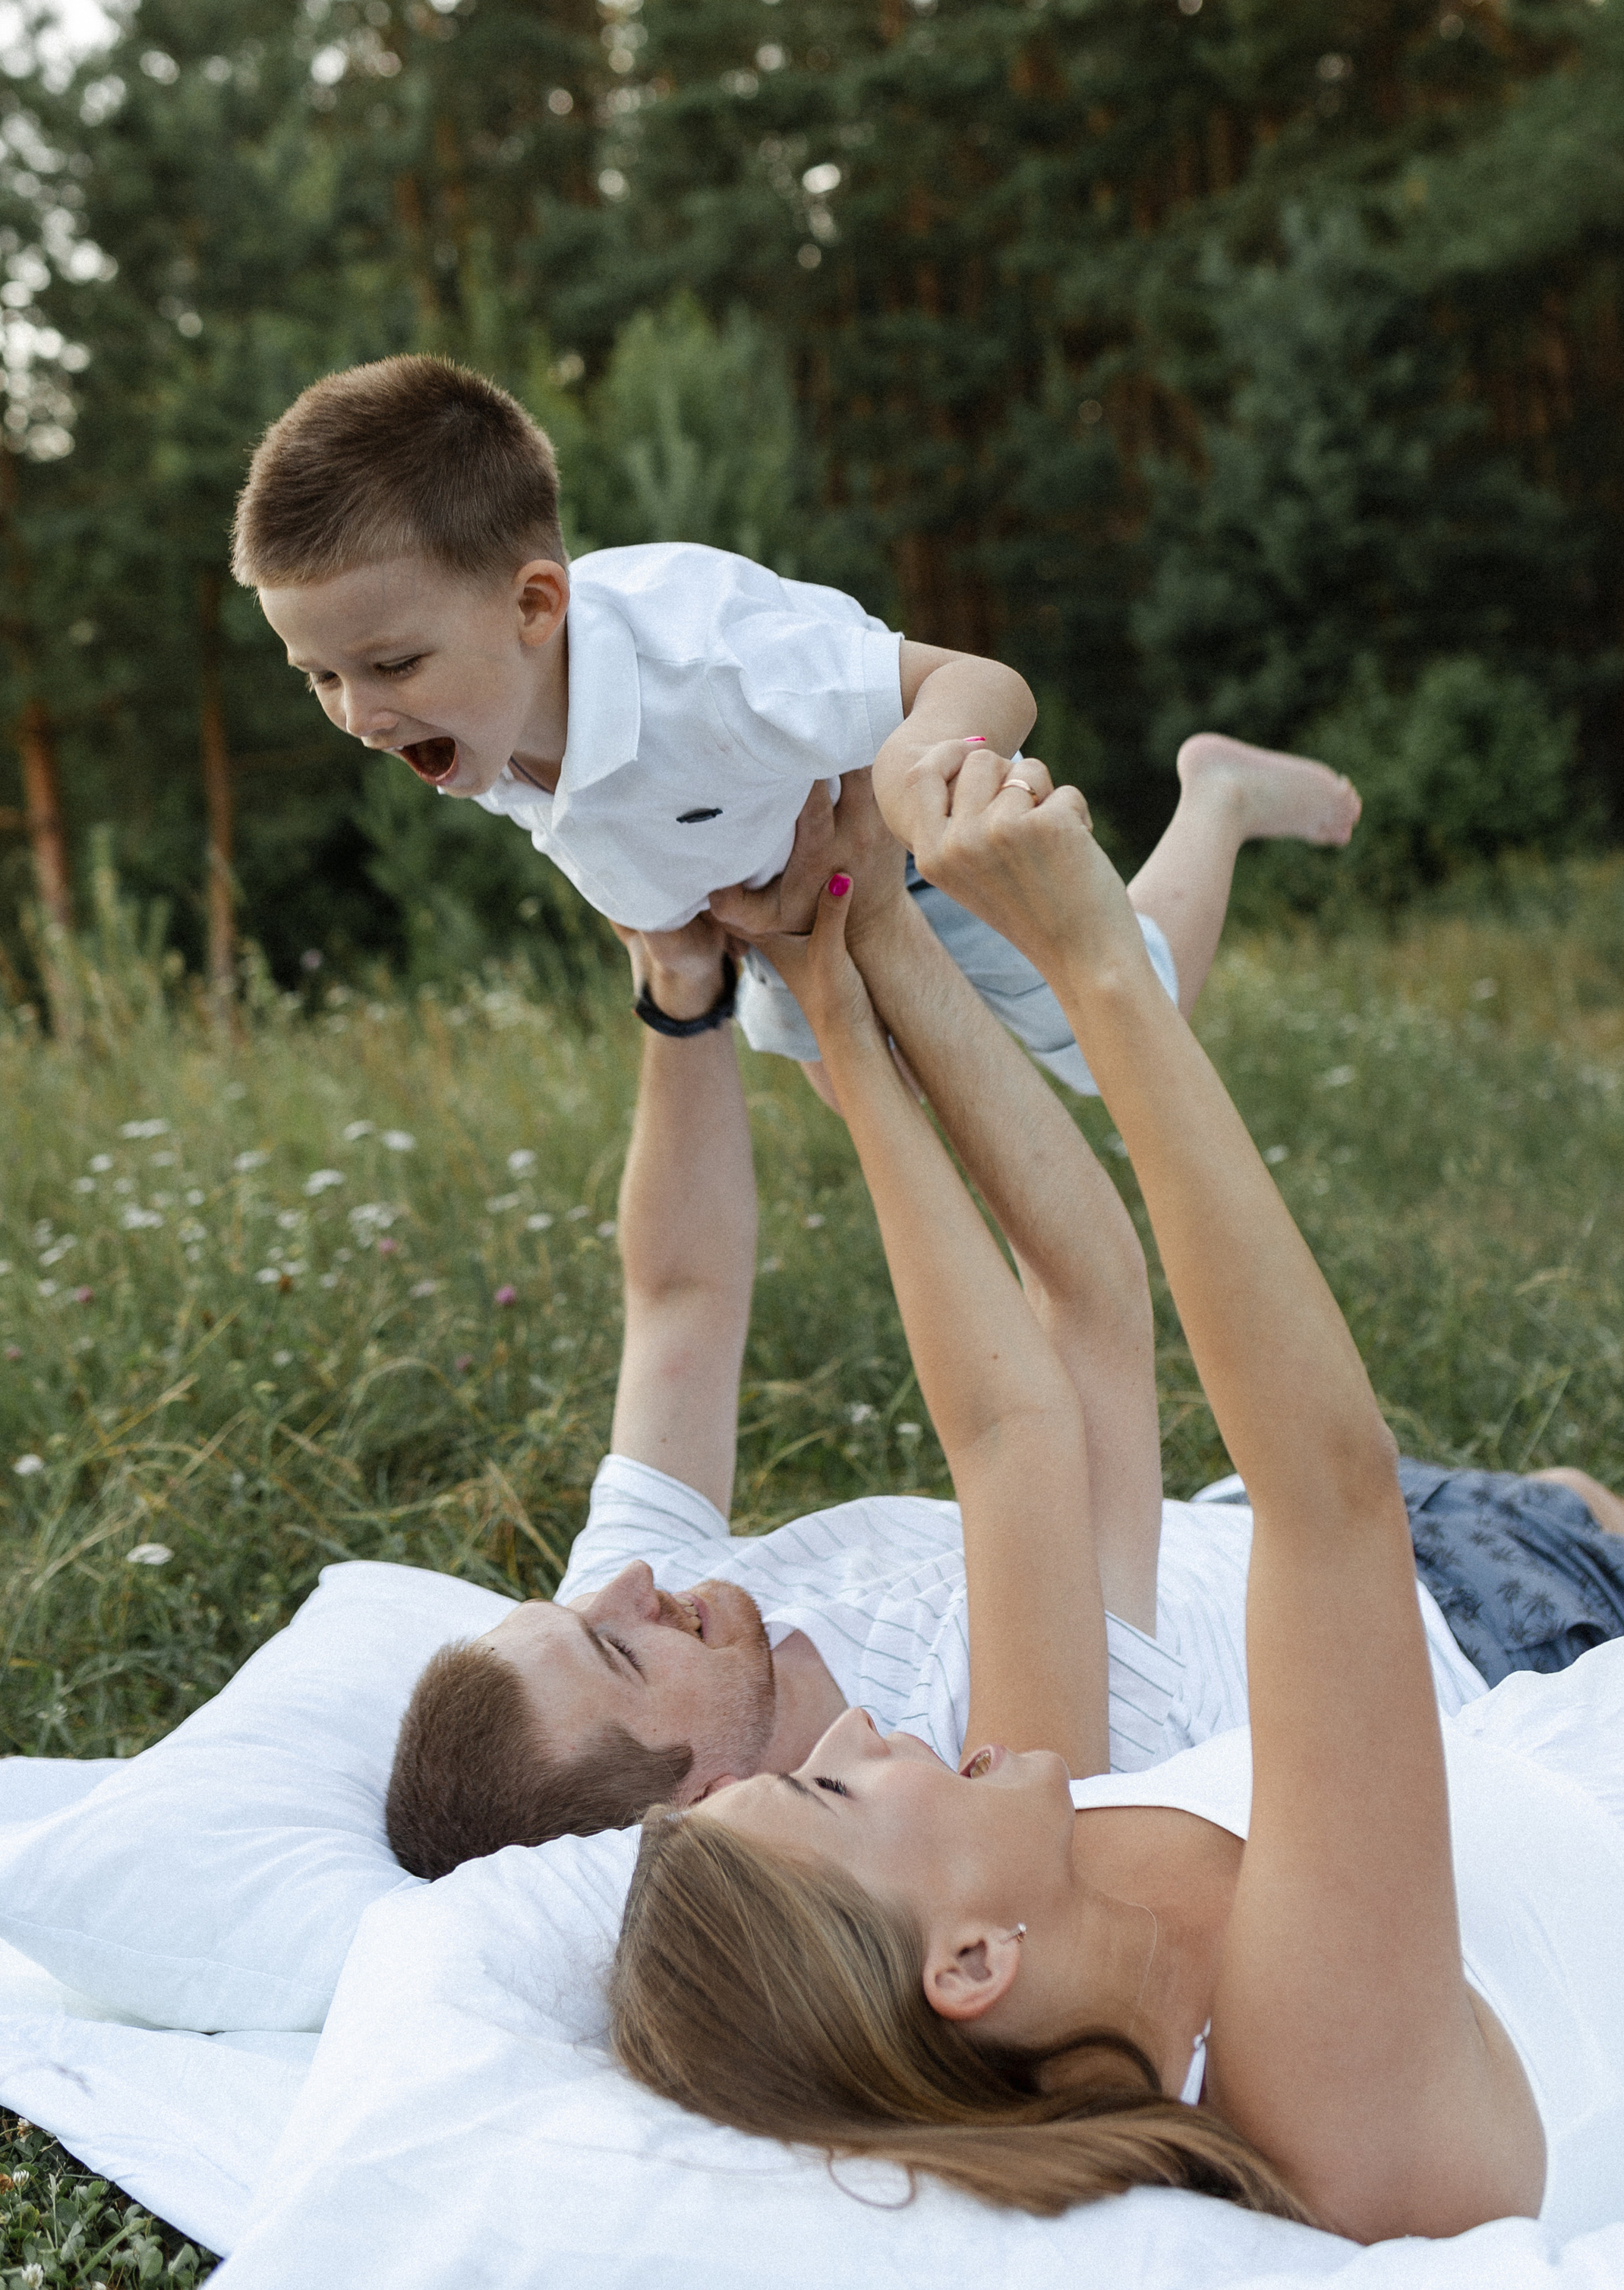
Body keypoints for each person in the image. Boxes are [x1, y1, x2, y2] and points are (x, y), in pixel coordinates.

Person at [610, 748, 1624, 2241]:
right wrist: (1090, 959)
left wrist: (847, 968)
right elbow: (1324, 1498)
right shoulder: (1325, 2110)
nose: (856, 1727)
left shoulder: (1060, 1834)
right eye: (831, 1786)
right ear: (964, 1968)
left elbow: (1017, 1422)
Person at [384, 774, 1624, 1886]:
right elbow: (1071, 1321)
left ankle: (1221, 794)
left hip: (1241, 1518)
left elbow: (680, 1299)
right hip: (1467, 1637)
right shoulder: (969, 1780)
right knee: (1578, 1513)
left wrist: (680, 993)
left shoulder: (652, 1618)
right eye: (615, 1648)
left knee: (1561, 1481)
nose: (631, 1585)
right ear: (699, 1802)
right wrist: (858, 957)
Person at [230, 352, 1361, 1099]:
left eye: (387, 666)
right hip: (768, 907)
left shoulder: (720, 663)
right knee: (875, 1095)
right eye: (317, 678)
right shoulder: (473, 710)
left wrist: (924, 772)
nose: (359, 718)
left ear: (536, 605)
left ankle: (1216, 797)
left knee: (1122, 1038)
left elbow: (982, 679)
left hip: (900, 849)